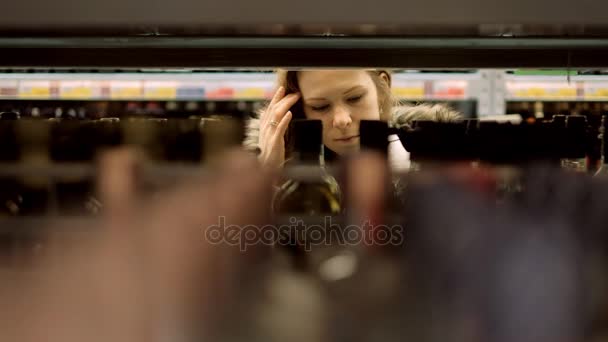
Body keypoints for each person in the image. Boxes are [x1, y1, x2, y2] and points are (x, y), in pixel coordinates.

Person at [244, 69, 462, 172]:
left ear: (382, 87)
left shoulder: (443, 153)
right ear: (300, 110)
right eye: (320, 107)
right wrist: (269, 178)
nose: (341, 120)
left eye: (355, 98)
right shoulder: (274, 164)